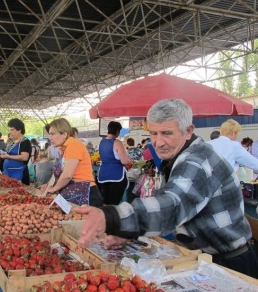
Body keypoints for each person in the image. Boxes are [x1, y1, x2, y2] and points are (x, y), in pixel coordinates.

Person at [74, 99, 258, 279]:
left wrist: (112, 217)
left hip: (230, 265)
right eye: (153, 133)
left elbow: (171, 205)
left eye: (166, 133)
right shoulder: (176, 159)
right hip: (202, 258)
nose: (158, 142)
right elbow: (164, 208)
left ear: (188, 131)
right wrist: (129, 232)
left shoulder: (198, 160)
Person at [44, 118, 103, 207]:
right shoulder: (64, 149)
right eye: (49, 134)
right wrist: (49, 185)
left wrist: (54, 189)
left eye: (52, 134)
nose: (50, 137)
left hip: (86, 195)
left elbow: (67, 175)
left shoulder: (74, 145)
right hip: (74, 192)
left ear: (64, 134)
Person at [97, 121, 132, 205]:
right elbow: (124, 161)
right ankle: (114, 217)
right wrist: (129, 161)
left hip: (103, 174)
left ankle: (106, 217)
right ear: (117, 131)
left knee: (106, 202)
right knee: (114, 203)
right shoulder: (117, 143)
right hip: (116, 175)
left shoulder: (102, 142)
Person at [1, 118, 31, 185]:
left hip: (18, 174)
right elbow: (8, 153)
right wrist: (0, 152)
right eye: (10, 130)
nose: (10, 132)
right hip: (8, 173)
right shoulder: (12, 142)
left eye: (12, 130)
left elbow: (24, 157)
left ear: (19, 130)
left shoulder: (25, 142)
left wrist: (8, 156)